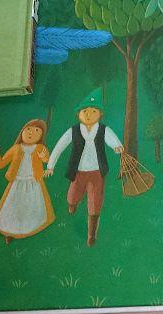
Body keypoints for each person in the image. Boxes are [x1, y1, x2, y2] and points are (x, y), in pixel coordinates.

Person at [46, 89, 122, 247]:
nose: (89, 114)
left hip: (97, 172)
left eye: (93, 111)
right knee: (72, 196)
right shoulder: (73, 131)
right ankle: (72, 204)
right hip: (78, 172)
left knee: (95, 203)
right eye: (85, 111)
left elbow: (112, 139)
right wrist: (50, 166)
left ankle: (91, 235)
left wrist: (117, 146)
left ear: (100, 114)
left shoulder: (103, 130)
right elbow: (59, 146)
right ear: (78, 114)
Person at [0, 119, 54, 243]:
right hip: (17, 182)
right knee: (13, 205)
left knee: (32, 205)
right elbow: (1, 164)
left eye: (36, 130)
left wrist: (43, 157)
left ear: (41, 136)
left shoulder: (40, 147)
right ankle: (9, 231)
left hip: (33, 182)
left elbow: (47, 159)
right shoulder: (16, 148)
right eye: (28, 129)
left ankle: (30, 228)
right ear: (22, 132)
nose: (31, 133)